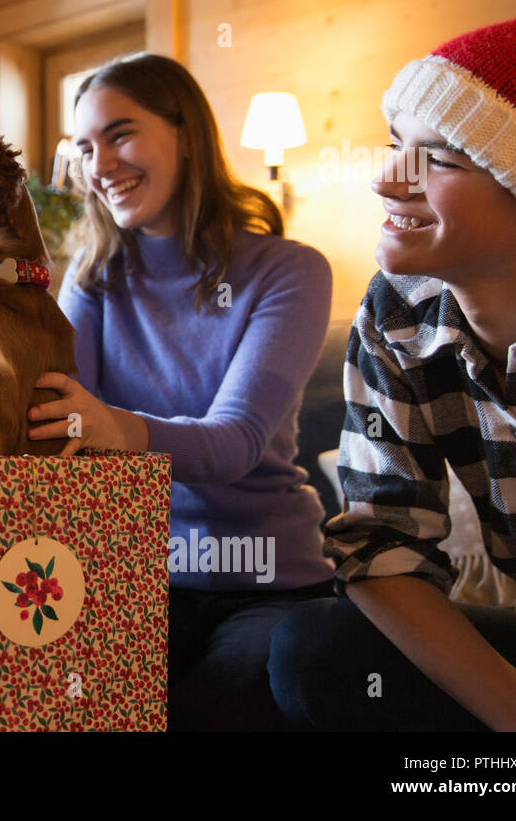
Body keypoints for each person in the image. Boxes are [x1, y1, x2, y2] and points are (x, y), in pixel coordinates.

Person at [268, 3, 516, 731]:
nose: (385, 180)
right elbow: (378, 544)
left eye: (437, 159)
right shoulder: (397, 311)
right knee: (315, 652)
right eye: (394, 145)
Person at [27, 53, 335, 729]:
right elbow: (54, 418)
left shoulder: (289, 272)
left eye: (120, 134)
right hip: (136, 575)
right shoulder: (94, 277)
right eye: (85, 147)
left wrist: (110, 426)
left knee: (214, 701)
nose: (100, 163)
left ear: (188, 134)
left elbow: (237, 442)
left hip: (266, 581)